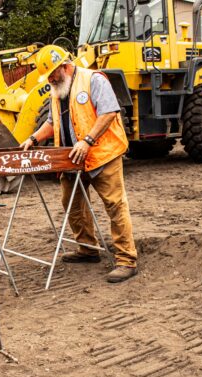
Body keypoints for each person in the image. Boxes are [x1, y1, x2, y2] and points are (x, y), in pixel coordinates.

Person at [21, 45, 137, 283]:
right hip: (72, 159)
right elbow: (53, 121)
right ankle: (87, 248)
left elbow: (108, 112)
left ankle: (126, 259)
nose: (51, 79)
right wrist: (34, 138)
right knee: (72, 203)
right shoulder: (58, 90)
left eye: (53, 73)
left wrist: (87, 141)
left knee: (114, 205)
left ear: (64, 66)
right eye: (48, 76)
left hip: (102, 154)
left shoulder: (93, 80)